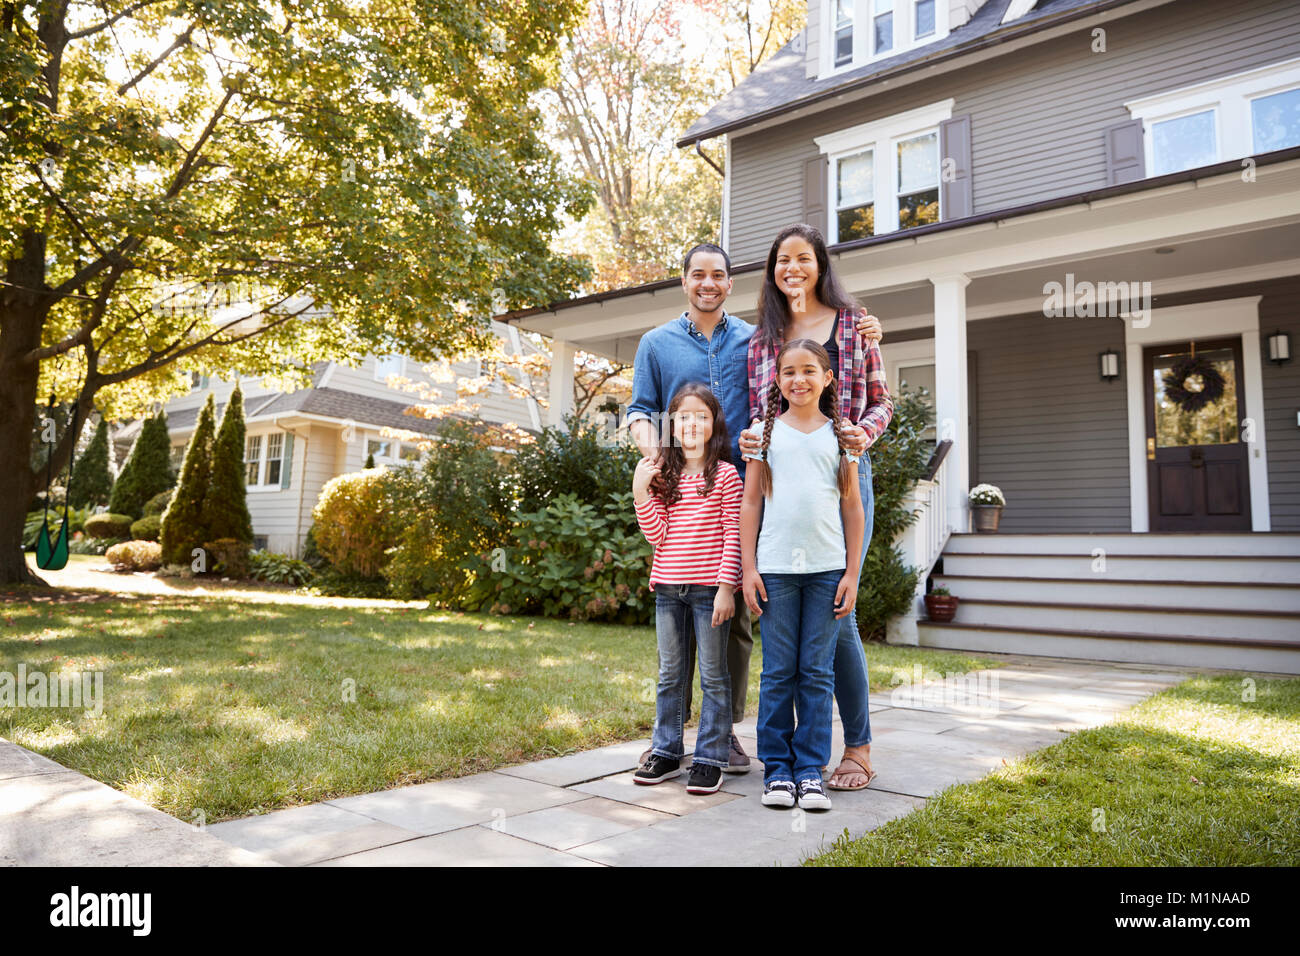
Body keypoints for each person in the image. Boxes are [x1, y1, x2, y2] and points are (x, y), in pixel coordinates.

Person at [626, 242, 883, 772]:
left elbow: (869, 396)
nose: (708, 283)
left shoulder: (811, 330)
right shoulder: (716, 339)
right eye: (697, 274)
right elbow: (647, 410)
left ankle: (837, 745)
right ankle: (699, 739)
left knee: (815, 611)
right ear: (683, 280)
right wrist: (661, 461)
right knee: (722, 609)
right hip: (724, 489)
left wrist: (860, 432)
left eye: (718, 274)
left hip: (803, 478)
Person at [739, 223, 892, 792]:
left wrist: (860, 437)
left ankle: (857, 747)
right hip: (781, 481)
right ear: (773, 271)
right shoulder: (762, 339)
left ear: (820, 265)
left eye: (804, 259)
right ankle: (792, 759)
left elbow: (882, 402)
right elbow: (758, 417)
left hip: (843, 473)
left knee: (839, 613)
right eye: (783, 260)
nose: (793, 269)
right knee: (793, 648)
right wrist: (750, 444)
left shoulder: (854, 324)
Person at [740, 338, 864, 811]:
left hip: (827, 571)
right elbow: (751, 502)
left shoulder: (843, 437)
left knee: (815, 672)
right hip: (776, 570)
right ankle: (777, 769)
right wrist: (749, 567)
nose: (799, 379)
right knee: (777, 672)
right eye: (789, 371)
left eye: (810, 370)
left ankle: (810, 769)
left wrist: (852, 572)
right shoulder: (763, 434)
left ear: (828, 378)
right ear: (777, 379)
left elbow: (852, 507)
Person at [631, 384, 743, 795]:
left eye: (702, 416)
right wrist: (640, 490)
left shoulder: (727, 475)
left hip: (708, 589)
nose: (693, 423)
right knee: (669, 675)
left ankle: (710, 757)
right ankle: (666, 750)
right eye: (684, 417)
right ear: (672, 425)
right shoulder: (663, 474)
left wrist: (726, 588)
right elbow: (656, 535)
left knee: (713, 675)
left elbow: (734, 534)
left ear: (714, 424)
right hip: (667, 589)